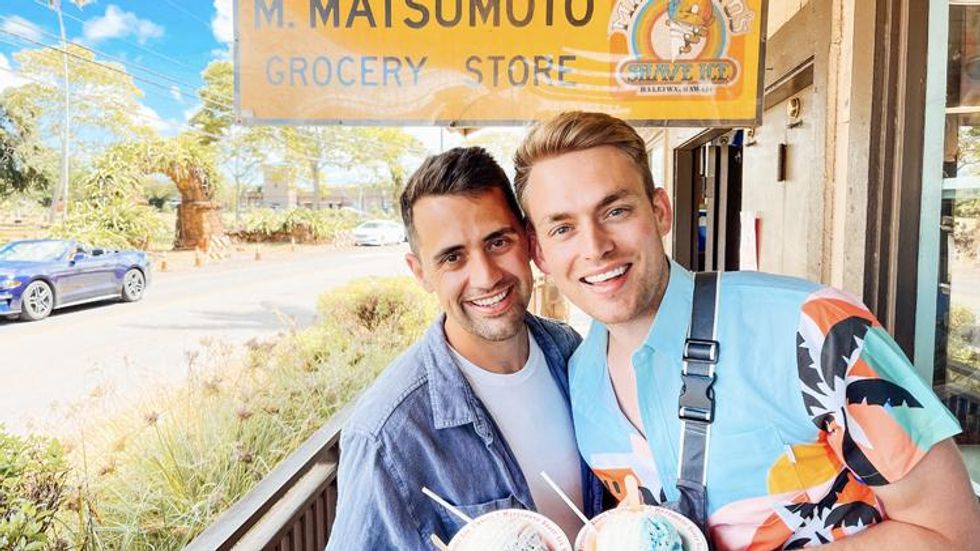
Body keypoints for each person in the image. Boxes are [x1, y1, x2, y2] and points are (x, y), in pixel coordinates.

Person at [513, 111, 980, 549]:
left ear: (659, 211)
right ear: (539, 253)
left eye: (615, 211)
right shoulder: (578, 379)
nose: (595, 247)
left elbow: (952, 533)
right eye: (563, 229)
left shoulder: (814, 328)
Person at [327, 147, 604, 550]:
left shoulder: (568, 351)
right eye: (453, 258)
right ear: (420, 272)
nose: (486, 276)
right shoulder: (388, 436)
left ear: (527, 240)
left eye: (497, 242)